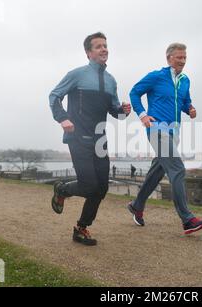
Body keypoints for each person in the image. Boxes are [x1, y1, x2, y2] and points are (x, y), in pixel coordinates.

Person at [49, 32, 131, 246]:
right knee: (87, 185)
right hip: (77, 137)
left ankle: (81, 228)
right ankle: (62, 189)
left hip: (100, 140)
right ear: (88, 53)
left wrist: (124, 111)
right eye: (98, 46)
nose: (104, 49)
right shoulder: (76, 75)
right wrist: (63, 118)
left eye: (105, 46)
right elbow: (54, 96)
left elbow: (116, 113)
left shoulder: (111, 80)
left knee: (101, 188)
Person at [127, 43, 202, 235]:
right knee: (178, 169)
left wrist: (190, 109)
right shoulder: (157, 76)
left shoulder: (185, 80)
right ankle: (187, 220)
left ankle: (137, 205)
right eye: (179, 57)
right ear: (169, 58)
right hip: (156, 129)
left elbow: (184, 101)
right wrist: (142, 115)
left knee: (157, 171)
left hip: (174, 132)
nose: (182, 61)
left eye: (184, 58)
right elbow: (134, 92)